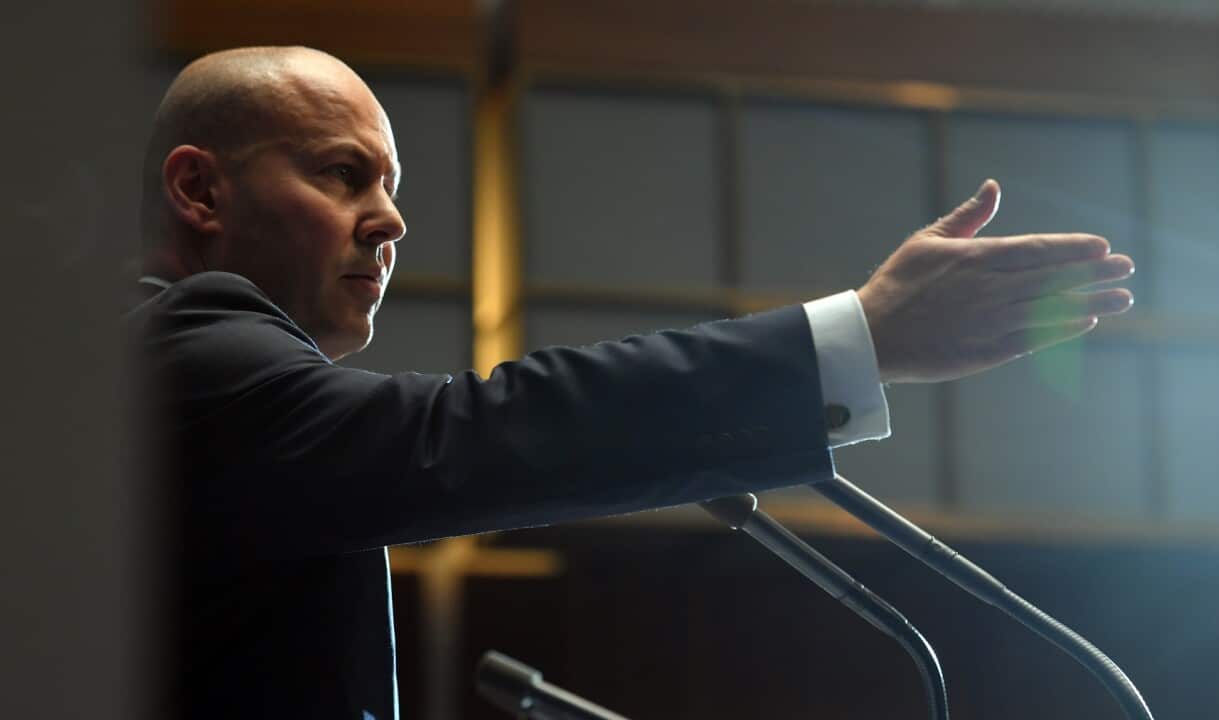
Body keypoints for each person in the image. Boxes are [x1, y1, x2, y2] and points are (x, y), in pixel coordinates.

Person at [128, 46, 1135, 719]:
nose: (388, 221)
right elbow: (460, 435)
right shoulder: (172, 352)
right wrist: (855, 339)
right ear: (199, 189)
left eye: (391, 187)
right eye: (343, 176)